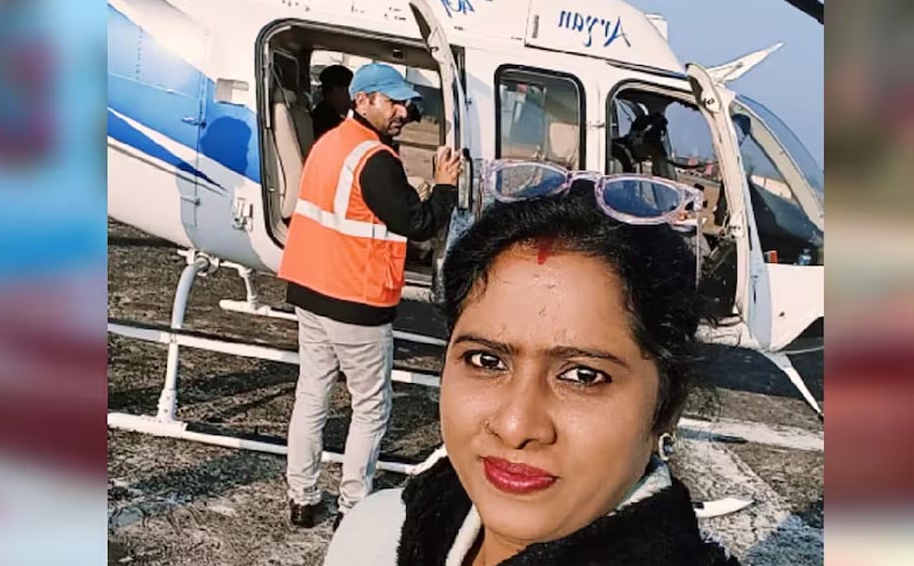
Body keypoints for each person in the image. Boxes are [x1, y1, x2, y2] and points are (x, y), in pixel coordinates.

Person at [324, 183, 739, 564]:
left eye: (582, 376)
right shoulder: (377, 536)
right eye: (486, 361)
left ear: (668, 405)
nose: (515, 426)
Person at [278, 62, 463, 530]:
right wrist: (445, 185)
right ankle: (352, 504)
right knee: (370, 406)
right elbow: (418, 222)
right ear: (363, 101)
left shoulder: (329, 143)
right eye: (393, 102)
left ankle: (302, 498)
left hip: (310, 290)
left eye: (406, 104)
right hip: (355, 299)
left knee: (312, 393)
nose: (402, 111)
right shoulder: (375, 159)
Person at [311, 64, 354, 141]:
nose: (352, 98)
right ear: (336, 90)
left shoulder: (323, 113)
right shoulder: (327, 121)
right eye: (349, 91)